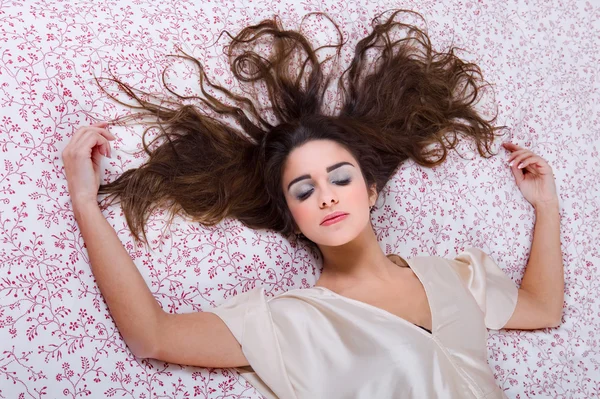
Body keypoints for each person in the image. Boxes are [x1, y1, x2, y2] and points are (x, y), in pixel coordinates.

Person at [62, 9, 564, 399]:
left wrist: (546, 205)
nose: (325, 194)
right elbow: (152, 336)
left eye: (340, 178)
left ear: (370, 190)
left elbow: (543, 308)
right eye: (303, 190)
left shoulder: (453, 276)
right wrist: (86, 202)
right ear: (294, 218)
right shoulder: (290, 323)